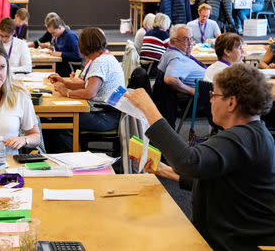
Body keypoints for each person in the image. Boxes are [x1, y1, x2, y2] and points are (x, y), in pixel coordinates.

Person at [125, 63, 274, 251]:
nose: (210, 100)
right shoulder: (252, 135)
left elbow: (188, 161)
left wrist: (149, 108)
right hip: (233, 237)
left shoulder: (242, 138)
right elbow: (220, 181)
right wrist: (166, 171)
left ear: (231, 102)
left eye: (214, 95)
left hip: (238, 244)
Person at [48, 27, 125, 150]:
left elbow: (90, 92)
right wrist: (63, 81)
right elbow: (85, 84)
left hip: (105, 116)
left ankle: (75, 156)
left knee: (58, 122)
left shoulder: (100, 62)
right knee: (59, 118)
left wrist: (67, 93)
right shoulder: (105, 58)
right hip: (109, 114)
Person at [157, 24, 206, 95]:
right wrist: (192, 91)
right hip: (205, 95)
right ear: (173, 42)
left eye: (191, 39)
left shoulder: (172, 52)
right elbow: (170, 79)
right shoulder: (176, 57)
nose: (190, 43)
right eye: (185, 39)